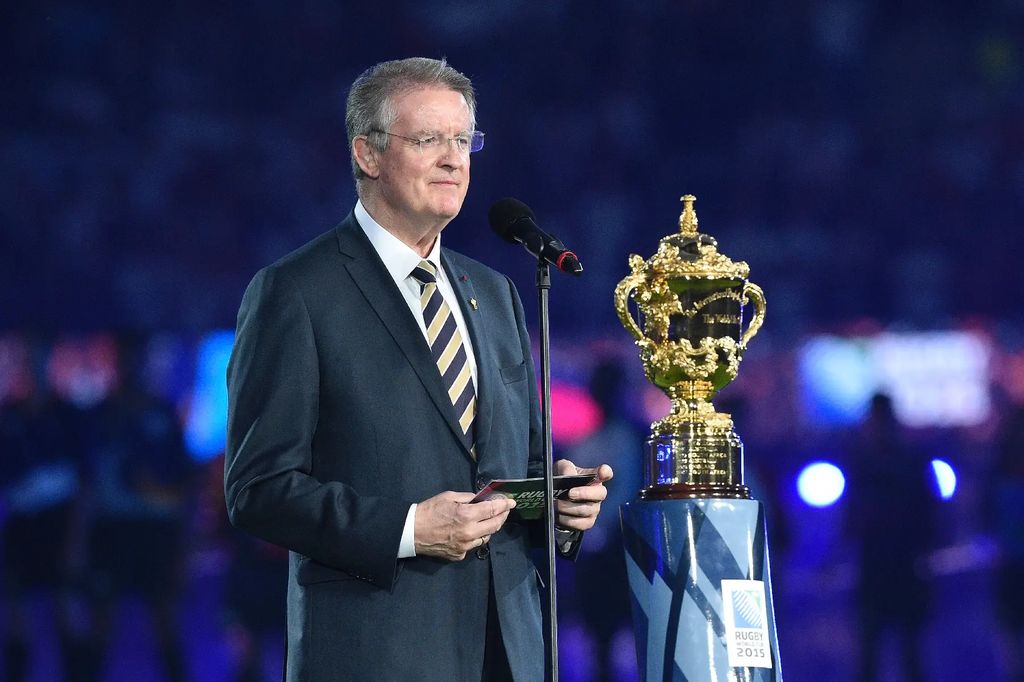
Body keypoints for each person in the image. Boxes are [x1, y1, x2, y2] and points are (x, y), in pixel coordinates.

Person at [224, 57, 612, 681]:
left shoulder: (496, 293)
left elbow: (520, 467)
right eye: (429, 139)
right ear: (368, 154)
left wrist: (561, 502)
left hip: (509, 652)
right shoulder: (295, 293)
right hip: (378, 653)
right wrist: (408, 529)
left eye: (463, 140)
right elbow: (258, 490)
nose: (454, 159)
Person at [844, 393, 937, 682]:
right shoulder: (879, 463)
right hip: (889, 567)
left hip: (895, 567)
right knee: (891, 654)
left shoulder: (877, 463)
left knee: (892, 653)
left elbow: (851, 519)